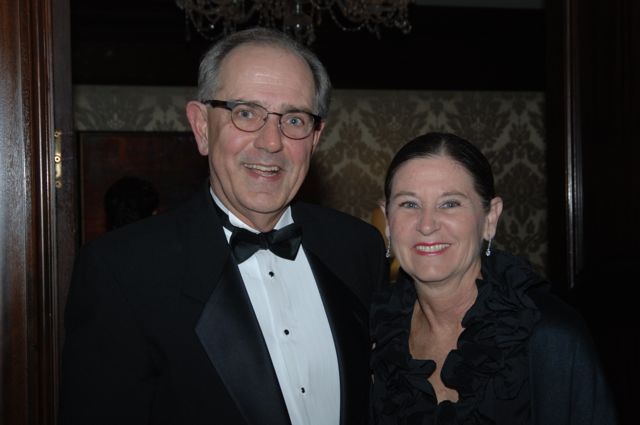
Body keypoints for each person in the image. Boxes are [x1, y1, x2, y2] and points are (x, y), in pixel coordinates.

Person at [60, 27, 387, 425]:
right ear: (201, 127)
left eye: (294, 119)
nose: (271, 142)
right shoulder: (121, 271)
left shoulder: (359, 248)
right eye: (245, 113)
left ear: (315, 138)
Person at [370, 132, 618, 425]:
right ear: (388, 222)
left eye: (450, 203)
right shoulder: (374, 334)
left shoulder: (551, 337)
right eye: (409, 204)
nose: (426, 225)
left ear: (490, 218)